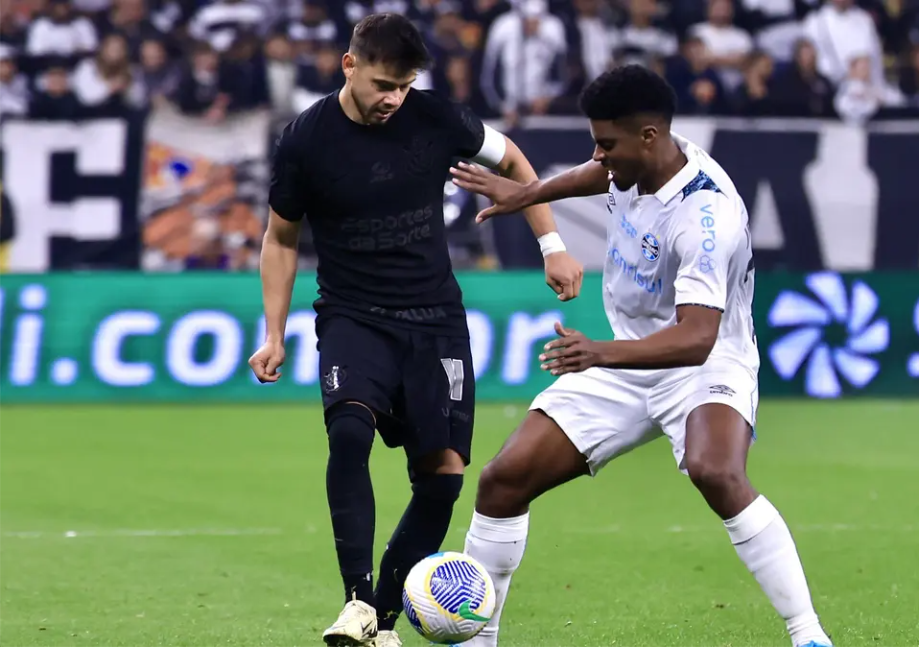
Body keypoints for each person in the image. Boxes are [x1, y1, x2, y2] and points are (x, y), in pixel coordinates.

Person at [448, 64, 833, 647]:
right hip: (625, 354)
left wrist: (597, 353)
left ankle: (808, 635)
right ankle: (479, 641)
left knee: (716, 471)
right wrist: (528, 193)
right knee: (504, 480)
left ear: (649, 136)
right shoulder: (637, 163)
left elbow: (696, 337)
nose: (599, 156)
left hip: (703, 362)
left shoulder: (706, 217)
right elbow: (595, 176)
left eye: (607, 143)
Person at [247, 13, 583, 647]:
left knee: (443, 479)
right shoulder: (305, 140)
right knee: (349, 433)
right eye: (382, 85)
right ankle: (355, 600)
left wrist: (553, 245)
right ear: (349, 65)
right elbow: (280, 238)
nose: (392, 100)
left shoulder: (436, 118)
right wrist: (274, 333)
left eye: (403, 86)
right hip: (353, 315)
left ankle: (381, 623)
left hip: (435, 322)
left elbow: (511, 157)